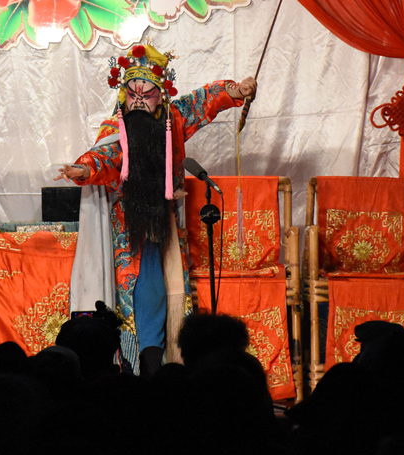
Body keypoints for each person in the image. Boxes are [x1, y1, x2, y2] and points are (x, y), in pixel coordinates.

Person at [56, 43, 255, 377]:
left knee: (167, 291)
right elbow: (104, 157)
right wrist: (82, 170)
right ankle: (137, 367)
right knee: (135, 296)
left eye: (146, 94)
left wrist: (235, 91)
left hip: (164, 222)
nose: (138, 101)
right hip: (128, 225)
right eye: (132, 94)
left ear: (160, 95)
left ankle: (162, 367)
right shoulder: (115, 127)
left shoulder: (173, 119)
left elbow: (205, 100)